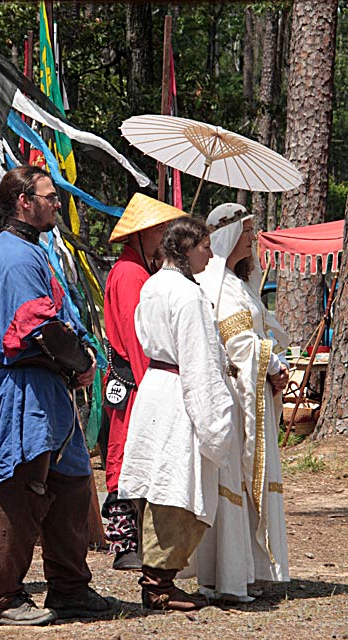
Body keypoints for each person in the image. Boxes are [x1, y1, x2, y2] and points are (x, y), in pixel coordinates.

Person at [0, 165, 117, 626]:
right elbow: (39, 329)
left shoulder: (30, 248)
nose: (57, 203)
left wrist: (80, 356)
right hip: (23, 389)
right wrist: (81, 364)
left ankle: (69, 588)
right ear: (24, 201)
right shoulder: (13, 254)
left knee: (71, 486)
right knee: (20, 489)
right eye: (50, 196)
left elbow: (58, 322)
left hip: (47, 388)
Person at [118, 216, 235, 612]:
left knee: (162, 484)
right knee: (177, 488)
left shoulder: (152, 286)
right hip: (180, 393)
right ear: (185, 249)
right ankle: (158, 585)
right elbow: (198, 358)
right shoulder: (187, 295)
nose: (211, 255)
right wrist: (215, 421)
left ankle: (158, 581)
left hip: (156, 388)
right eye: (205, 246)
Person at [196, 203, 290, 600]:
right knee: (232, 480)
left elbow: (263, 332)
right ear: (229, 234)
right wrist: (271, 363)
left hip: (254, 392)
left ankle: (249, 568)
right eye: (248, 230)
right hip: (235, 396)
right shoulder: (215, 284)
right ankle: (226, 576)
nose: (253, 237)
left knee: (251, 480)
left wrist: (278, 362)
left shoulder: (239, 283)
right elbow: (236, 344)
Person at [102, 192, 187, 571]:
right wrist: (152, 384)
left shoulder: (138, 271)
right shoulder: (129, 274)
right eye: (158, 231)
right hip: (135, 379)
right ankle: (124, 543)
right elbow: (137, 337)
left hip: (140, 378)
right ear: (140, 234)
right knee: (125, 454)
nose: (164, 237)